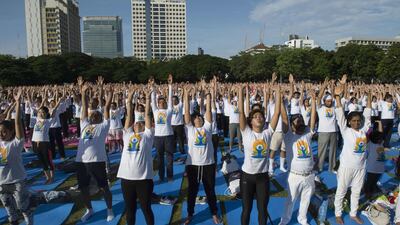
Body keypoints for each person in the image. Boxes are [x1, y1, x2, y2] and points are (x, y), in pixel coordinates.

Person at [239, 83, 281, 225]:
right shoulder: (246, 132)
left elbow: (276, 113)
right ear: (250, 121)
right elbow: (241, 113)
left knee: (262, 209)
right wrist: (240, 93)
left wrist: (278, 93)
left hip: (262, 177)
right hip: (247, 176)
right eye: (255, 116)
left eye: (261, 116)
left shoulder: (267, 133)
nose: (259, 118)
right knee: (247, 209)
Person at [333, 75, 372, 224]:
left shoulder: (364, 130)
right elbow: (339, 114)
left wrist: (368, 96)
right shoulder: (346, 130)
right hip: (346, 167)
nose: (356, 123)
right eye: (353, 121)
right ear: (349, 122)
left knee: (356, 193)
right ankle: (338, 214)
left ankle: (353, 213)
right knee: (341, 192)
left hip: (361, 168)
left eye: (358, 121)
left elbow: (367, 114)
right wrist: (337, 96)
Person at [75, 81, 114, 222]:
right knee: (84, 188)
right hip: (81, 161)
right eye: (92, 116)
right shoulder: (84, 124)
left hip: (97, 161)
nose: (93, 117)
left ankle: (110, 210)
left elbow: (107, 107)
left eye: (97, 115)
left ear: (101, 118)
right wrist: (84, 92)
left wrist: (109, 93)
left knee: (104, 187)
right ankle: (89, 209)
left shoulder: (104, 126)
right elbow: (84, 107)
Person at [183, 82, 221, 225]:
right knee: (192, 191)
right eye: (196, 118)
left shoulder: (208, 127)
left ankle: (214, 213)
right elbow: (186, 114)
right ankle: (190, 214)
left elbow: (209, 113)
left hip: (208, 164)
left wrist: (208, 96)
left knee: (210, 190)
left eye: (200, 117)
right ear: (193, 121)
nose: (198, 118)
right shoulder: (190, 130)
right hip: (193, 165)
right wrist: (186, 96)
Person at [117, 86, 155, 225]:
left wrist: (148, 99)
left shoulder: (148, 135)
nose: (137, 123)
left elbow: (148, 115)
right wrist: (130, 98)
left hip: (143, 179)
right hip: (126, 179)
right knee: (130, 209)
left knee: (146, 208)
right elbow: (128, 115)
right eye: (136, 122)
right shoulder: (127, 134)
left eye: (141, 122)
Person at [279, 88, 317, 225]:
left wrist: (314, 102)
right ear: (292, 124)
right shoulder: (289, 136)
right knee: (290, 200)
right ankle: (284, 220)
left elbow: (312, 119)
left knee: (306, 200)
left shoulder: (307, 133)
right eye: (297, 120)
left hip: (309, 175)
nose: (300, 121)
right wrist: (282, 103)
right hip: (295, 175)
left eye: (301, 119)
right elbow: (284, 118)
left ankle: (303, 219)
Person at [0, 88, 33, 225]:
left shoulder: (16, 143)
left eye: (4, 132)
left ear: (10, 132)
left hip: (17, 181)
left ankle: (29, 216)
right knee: (9, 209)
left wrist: (18, 102)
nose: (1, 134)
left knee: (21, 205)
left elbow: (18, 123)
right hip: (2, 183)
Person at [31, 88, 64, 183]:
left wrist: (57, 101)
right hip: (35, 143)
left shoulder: (48, 121)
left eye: (43, 113)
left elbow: (54, 110)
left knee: (48, 161)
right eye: (40, 112)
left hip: (44, 143)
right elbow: (39, 108)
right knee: (42, 162)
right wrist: (44, 97)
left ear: (46, 114)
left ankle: (52, 176)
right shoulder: (37, 119)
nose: (41, 114)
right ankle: (47, 177)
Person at [150, 75, 175, 182]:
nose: (161, 103)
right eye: (159, 102)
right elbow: (152, 98)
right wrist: (152, 86)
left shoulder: (169, 110)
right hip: (158, 137)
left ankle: (169, 176)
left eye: (162, 102)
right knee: (159, 158)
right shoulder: (155, 111)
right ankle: (161, 176)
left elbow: (170, 99)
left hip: (168, 136)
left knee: (169, 158)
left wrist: (170, 85)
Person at [316, 78, 338, 173]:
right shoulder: (320, 108)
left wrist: (333, 87)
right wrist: (324, 86)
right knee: (322, 150)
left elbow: (334, 96)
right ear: (324, 101)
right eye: (328, 101)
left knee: (333, 150)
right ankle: (319, 166)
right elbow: (318, 98)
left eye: (330, 101)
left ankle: (332, 167)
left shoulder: (334, 107)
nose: (329, 102)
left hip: (334, 131)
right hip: (323, 131)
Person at [364, 120, 385, 199]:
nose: (381, 139)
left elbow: (381, 133)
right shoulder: (370, 144)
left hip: (380, 168)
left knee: (374, 181)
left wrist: (379, 123)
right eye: (379, 138)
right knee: (369, 182)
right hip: (372, 168)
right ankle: (367, 192)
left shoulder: (381, 143)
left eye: (381, 138)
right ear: (374, 139)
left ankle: (372, 189)